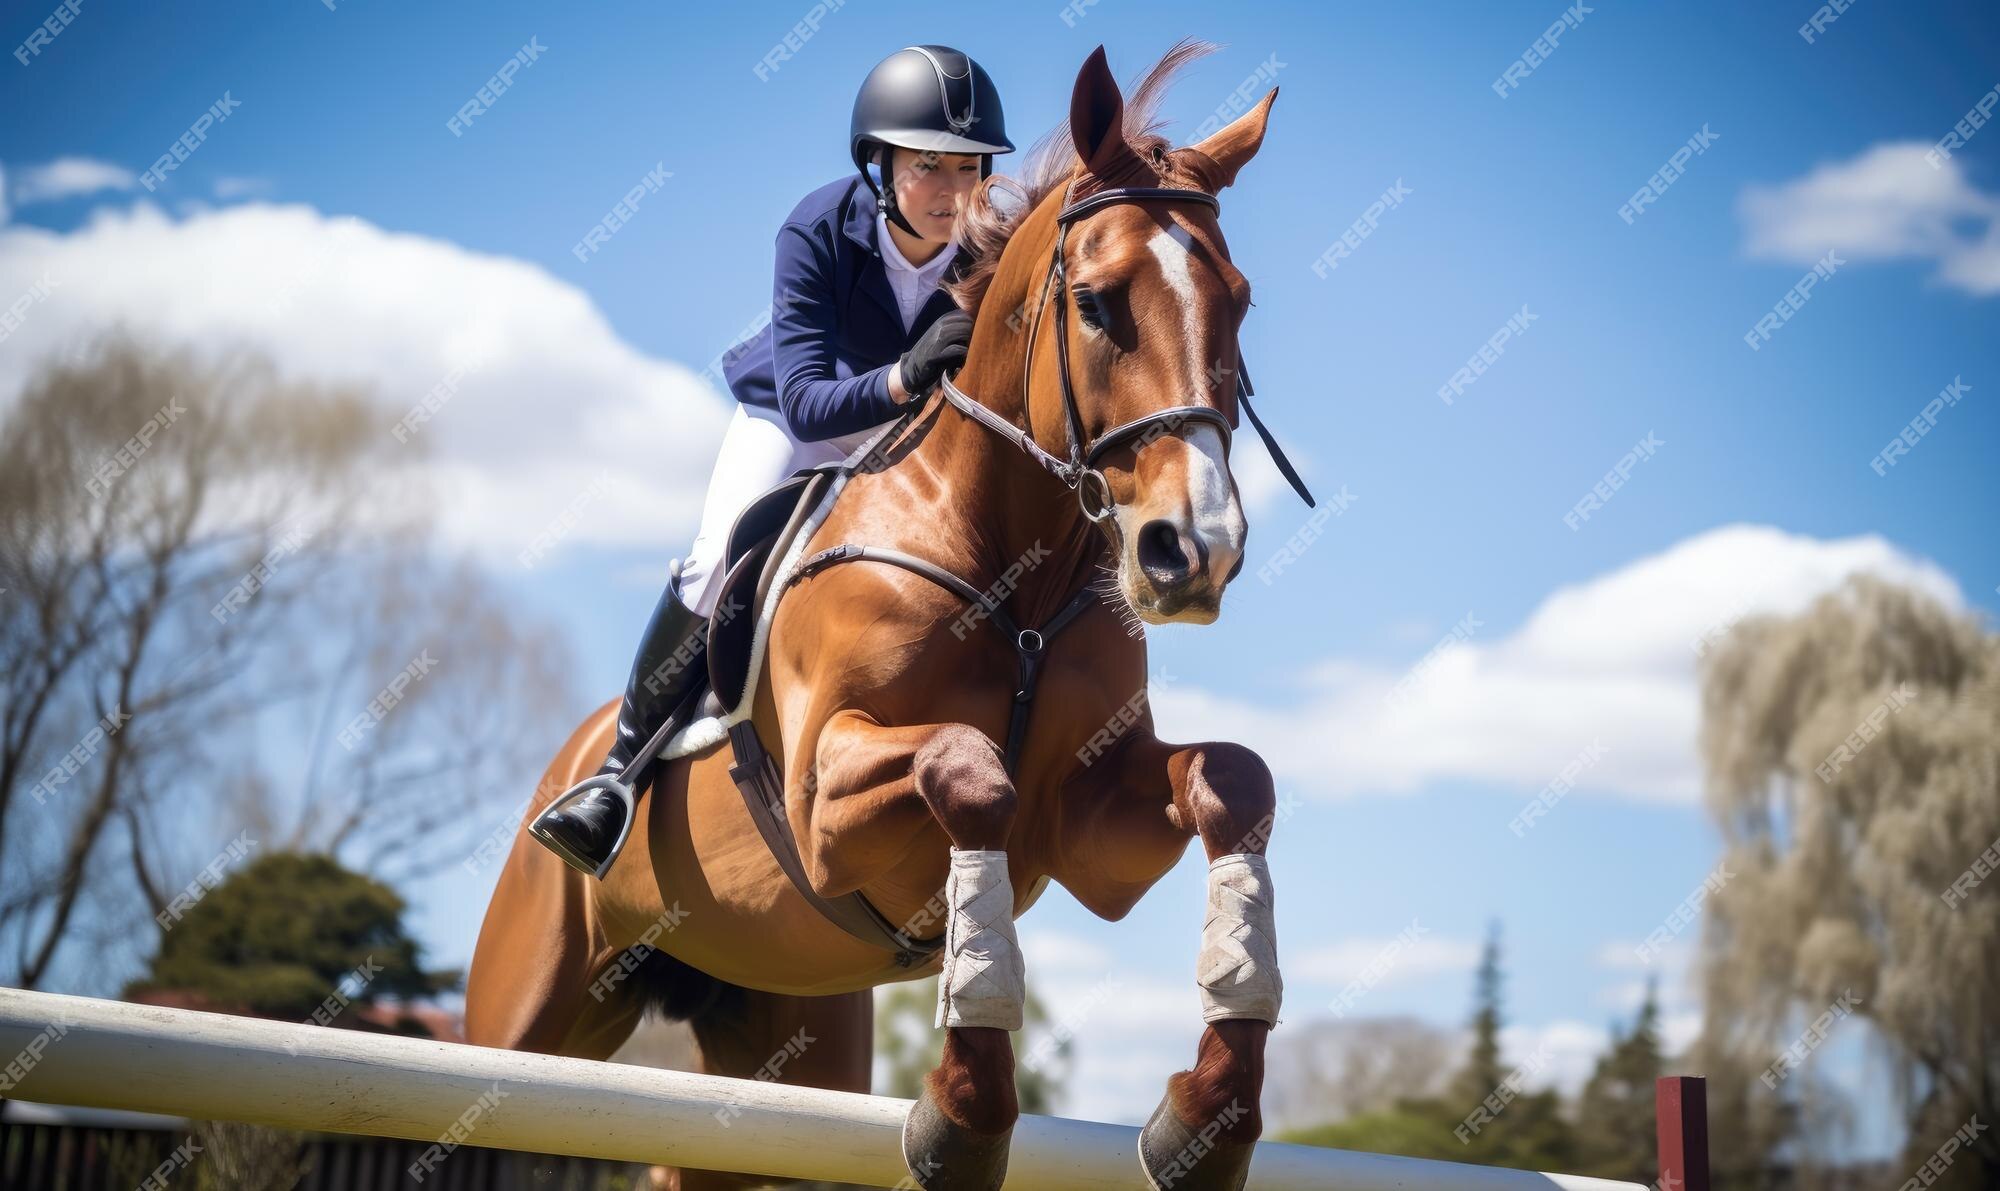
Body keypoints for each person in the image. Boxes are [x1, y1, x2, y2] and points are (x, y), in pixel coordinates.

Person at [529, 46, 1013, 877]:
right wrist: (904, 373)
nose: (953, 191)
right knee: (719, 557)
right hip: (798, 422)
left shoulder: (989, 248)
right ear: (879, 163)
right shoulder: (817, 229)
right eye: (928, 165)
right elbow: (807, 401)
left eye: (969, 167)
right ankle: (619, 773)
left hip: (913, 435)